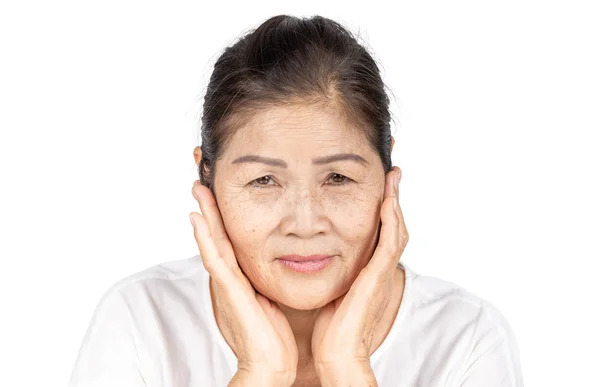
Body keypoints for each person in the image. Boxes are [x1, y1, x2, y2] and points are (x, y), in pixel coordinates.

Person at [69, 14, 524, 387]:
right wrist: (261, 373)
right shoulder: (140, 320)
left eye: (339, 178)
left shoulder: (465, 337)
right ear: (205, 178)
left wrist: (346, 369)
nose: (305, 224)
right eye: (264, 180)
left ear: (388, 178)